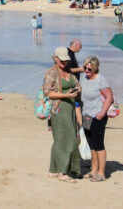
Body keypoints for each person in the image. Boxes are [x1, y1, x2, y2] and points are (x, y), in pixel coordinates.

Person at [44, 46, 81, 182]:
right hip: (58, 109)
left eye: (66, 60)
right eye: (62, 60)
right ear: (55, 59)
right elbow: (47, 92)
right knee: (70, 140)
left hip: (70, 108)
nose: (64, 63)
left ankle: (53, 170)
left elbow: (76, 83)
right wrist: (65, 95)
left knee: (59, 140)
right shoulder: (51, 73)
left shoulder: (68, 71)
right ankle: (63, 172)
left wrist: (77, 90)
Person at [80, 56, 114, 182]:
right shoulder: (83, 78)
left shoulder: (101, 79)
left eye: (89, 69)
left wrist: (102, 113)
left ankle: (101, 173)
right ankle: (93, 170)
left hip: (97, 116)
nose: (87, 71)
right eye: (85, 68)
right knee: (91, 145)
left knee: (99, 144)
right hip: (86, 115)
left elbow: (109, 97)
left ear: (95, 68)